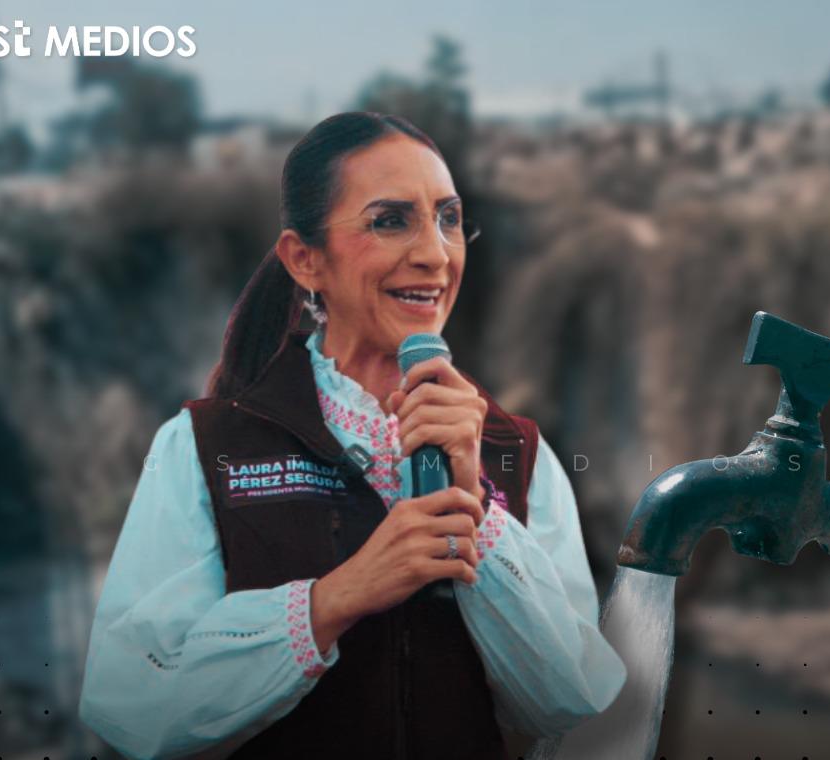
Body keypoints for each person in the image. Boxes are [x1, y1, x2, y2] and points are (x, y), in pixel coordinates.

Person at [78, 111, 626, 759]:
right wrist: (334, 600)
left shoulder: (516, 453)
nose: (434, 253)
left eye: (449, 219)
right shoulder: (208, 447)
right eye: (390, 220)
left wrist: (475, 511)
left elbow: (567, 702)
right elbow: (130, 702)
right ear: (305, 260)